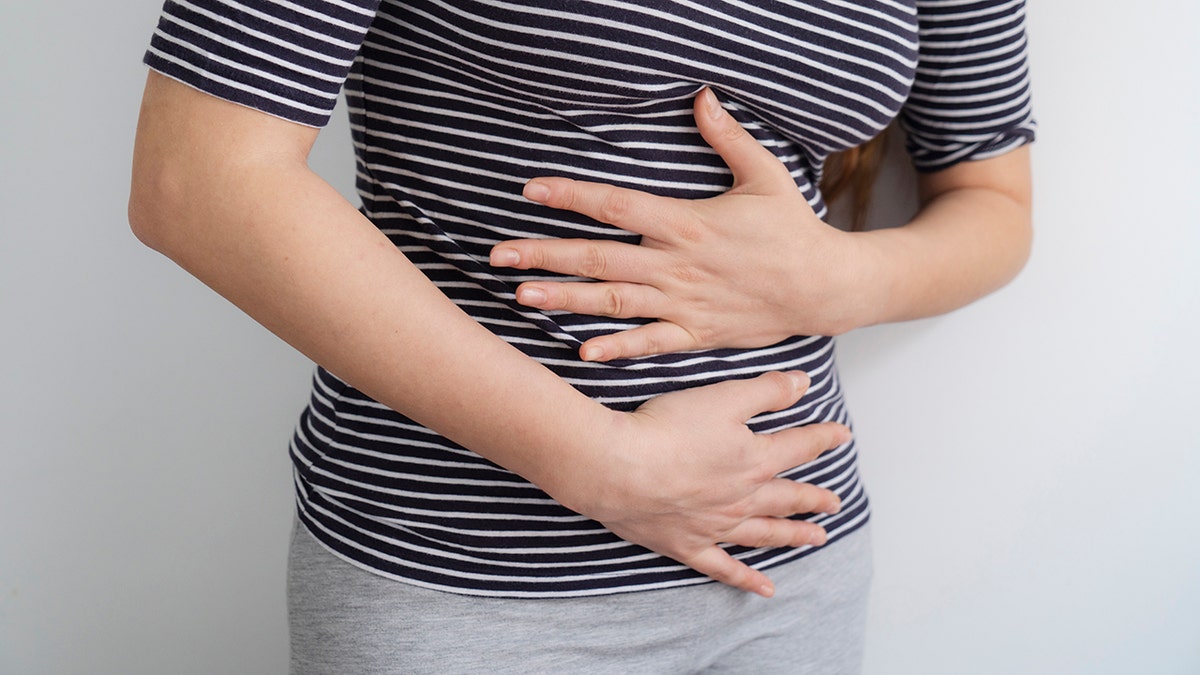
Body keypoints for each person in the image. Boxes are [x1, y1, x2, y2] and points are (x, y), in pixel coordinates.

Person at [130, 0, 1035, 672]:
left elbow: (995, 203)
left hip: (788, 564)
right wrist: (605, 462)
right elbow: (199, 182)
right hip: (462, 575)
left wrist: (832, 279)